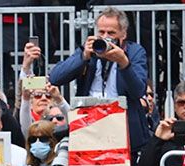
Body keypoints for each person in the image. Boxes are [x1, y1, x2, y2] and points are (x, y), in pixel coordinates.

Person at [49, 6, 151, 154]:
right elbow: (55, 77)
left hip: (123, 127)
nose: (105, 37)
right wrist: (83, 57)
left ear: (123, 34)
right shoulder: (89, 50)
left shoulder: (135, 52)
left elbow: (138, 91)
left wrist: (123, 63)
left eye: (111, 33)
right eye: (101, 32)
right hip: (89, 125)